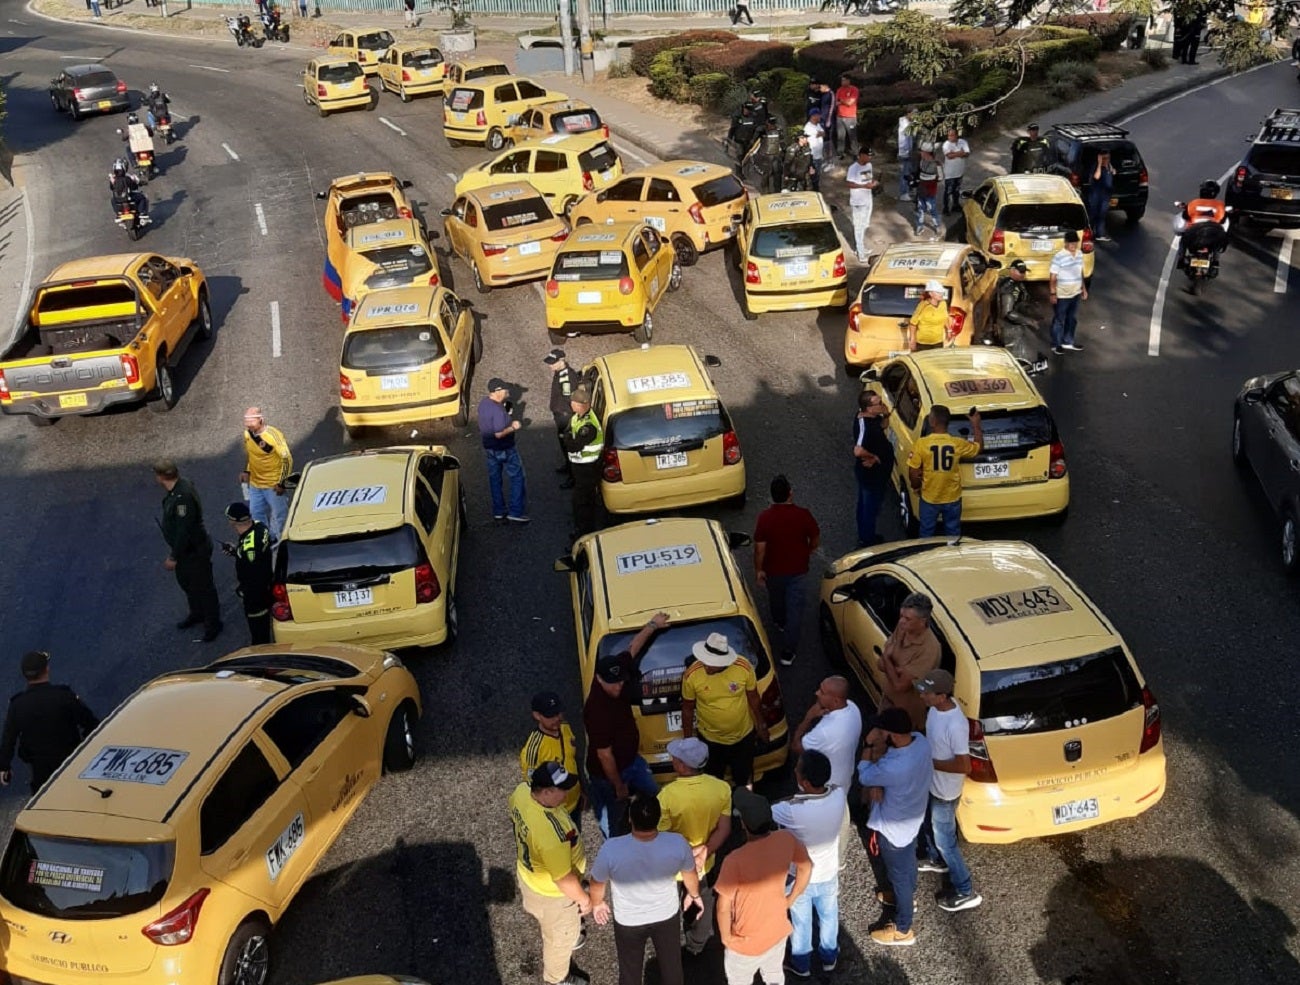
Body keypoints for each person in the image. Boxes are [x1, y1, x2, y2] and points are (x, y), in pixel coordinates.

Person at [589, 793, 702, 985]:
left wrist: (597, 904)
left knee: (629, 971)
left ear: (630, 819)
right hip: (666, 915)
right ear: (658, 819)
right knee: (672, 968)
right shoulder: (677, 843)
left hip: (628, 919)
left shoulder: (611, 849)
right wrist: (694, 895)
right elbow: (690, 875)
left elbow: (596, 882)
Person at [584, 612, 670, 837]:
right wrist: (619, 785)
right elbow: (604, 755)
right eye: (613, 684)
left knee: (654, 793)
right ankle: (612, 844)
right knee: (611, 814)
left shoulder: (616, 669)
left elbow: (632, 648)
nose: (619, 687)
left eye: (621, 681)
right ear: (599, 679)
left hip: (632, 760)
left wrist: (653, 625)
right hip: (607, 775)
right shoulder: (596, 710)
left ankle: (655, 823)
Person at [715, 789, 812, 985]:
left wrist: (726, 938)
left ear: (743, 824)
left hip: (745, 943)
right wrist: (790, 899)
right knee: (774, 975)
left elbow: (723, 907)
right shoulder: (786, 838)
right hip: (777, 932)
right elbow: (806, 866)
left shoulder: (734, 860)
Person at [509, 761, 590, 985]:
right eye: (561, 789)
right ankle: (558, 978)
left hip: (529, 877)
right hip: (555, 898)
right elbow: (563, 879)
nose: (566, 793)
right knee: (559, 943)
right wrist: (584, 900)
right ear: (545, 792)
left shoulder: (522, 793)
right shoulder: (552, 836)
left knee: (546, 922)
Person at [857, 707, 933, 946]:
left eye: (883, 730)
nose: (880, 734)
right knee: (908, 860)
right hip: (913, 816)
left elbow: (865, 775)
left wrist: (869, 746)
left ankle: (903, 928)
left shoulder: (894, 767)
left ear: (894, 734)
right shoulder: (920, 742)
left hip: (893, 826)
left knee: (899, 874)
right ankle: (906, 899)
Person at [773, 751, 848, 978]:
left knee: (801, 921)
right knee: (829, 915)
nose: (794, 770)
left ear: (804, 782)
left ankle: (801, 963)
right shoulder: (839, 795)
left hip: (800, 876)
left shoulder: (793, 811)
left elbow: (768, 811)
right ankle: (829, 956)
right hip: (829, 871)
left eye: (797, 769)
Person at [656, 737, 732, 956]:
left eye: (675, 758)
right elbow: (724, 829)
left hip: (673, 865)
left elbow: (662, 836)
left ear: (682, 765)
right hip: (703, 864)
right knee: (703, 899)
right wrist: (705, 850)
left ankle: (668, 944)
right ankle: (696, 943)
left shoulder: (667, 796)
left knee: (670, 903)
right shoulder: (721, 788)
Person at [914, 669, 983, 912]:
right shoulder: (935, 709)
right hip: (933, 783)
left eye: (928, 692)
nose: (922, 695)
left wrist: (929, 762)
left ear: (942, 696)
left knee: (946, 841)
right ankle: (935, 859)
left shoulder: (955, 725)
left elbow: (964, 766)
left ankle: (965, 890)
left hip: (946, 792)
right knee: (929, 823)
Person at [0, 652, 98, 794]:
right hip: (71, 766)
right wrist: (84, 750)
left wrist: (4, 767)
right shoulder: (64, 696)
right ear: (47, 669)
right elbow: (92, 724)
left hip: (39, 772)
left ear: (24, 675)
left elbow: (8, 739)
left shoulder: (17, 705)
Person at [681, 633, 768, 788]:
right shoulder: (692, 675)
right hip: (710, 741)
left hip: (743, 738)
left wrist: (761, 725)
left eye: (711, 663)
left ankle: (745, 804)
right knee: (713, 783)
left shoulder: (743, 668)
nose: (706, 666)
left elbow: (753, 698)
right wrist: (688, 741)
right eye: (705, 661)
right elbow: (687, 709)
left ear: (723, 662)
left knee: (746, 779)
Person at [753, 475, 820, 666]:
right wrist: (810, 550)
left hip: (773, 571)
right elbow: (815, 537)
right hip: (798, 571)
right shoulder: (803, 515)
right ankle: (788, 651)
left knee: (776, 600)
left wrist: (759, 570)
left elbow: (759, 548)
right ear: (790, 493)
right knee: (795, 611)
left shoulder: (765, 518)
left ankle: (779, 622)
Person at [154, 459, 222, 642]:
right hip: (187, 551)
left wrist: (173, 556)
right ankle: (197, 613)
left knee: (203, 586)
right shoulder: (179, 487)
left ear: (161, 477)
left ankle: (213, 624)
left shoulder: (182, 496)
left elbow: (184, 529)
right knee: (187, 583)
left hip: (194, 550)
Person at [906, 404, 983, 539]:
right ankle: (952, 554)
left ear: (932, 422)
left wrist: (916, 487)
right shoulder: (957, 443)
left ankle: (927, 555)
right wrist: (976, 424)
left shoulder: (922, 444)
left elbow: (913, 471)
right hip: (952, 497)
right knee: (953, 532)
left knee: (926, 532)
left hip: (930, 497)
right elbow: (978, 448)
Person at [877, 593, 941, 731]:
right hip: (887, 703)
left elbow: (899, 686)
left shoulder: (929, 648)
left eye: (907, 618)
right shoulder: (903, 628)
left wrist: (888, 658)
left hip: (905, 716)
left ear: (922, 620)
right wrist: (898, 669)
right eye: (901, 616)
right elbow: (880, 665)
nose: (901, 621)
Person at [521, 691, 583, 829]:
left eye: (558, 712)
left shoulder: (565, 728)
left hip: (574, 803)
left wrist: (582, 790)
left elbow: (573, 759)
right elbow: (532, 787)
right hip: (555, 811)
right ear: (537, 715)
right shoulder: (534, 749)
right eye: (550, 715)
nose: (557, 718)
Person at [478, 378, 529, 523]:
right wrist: (514, 426)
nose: (507, 393)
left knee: (495, 480)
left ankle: (498, 511)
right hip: (505, 449)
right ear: (498, 391)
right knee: (517, 477)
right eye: (505, 390)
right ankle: (516, 511)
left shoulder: (484, 404)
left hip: (489, 449)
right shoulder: (498, 411)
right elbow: (499, 433)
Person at [221, 501, 273, 646]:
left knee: (259, 632)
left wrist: (245, 591)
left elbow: (254, 574)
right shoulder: (260, 527)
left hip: (256, 597)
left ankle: (262, 658)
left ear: (234, 521)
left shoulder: (248, 549)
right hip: (268, 582)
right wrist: (236, 551)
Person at [239, 408, 293, 542]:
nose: (248, 425)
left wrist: (282, 483)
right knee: (256, 516)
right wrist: (247, 471)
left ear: (261, 420)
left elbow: (287, 460)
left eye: (252, 421)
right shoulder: (247, 434)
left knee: (279, 517)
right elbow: (252, 456)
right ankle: (264, 542)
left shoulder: (274, 436)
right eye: (246, 421)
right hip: (255, 485)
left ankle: (280, 545)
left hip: (273, 485)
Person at [560, 384, 604, 538]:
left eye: (572, 402)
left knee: (582, 504)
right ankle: (583, 529)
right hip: (579, 467)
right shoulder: (577, 417)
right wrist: (568, 438)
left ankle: (584, 534)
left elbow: (572, 445)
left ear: (580, 405)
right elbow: (567, 433)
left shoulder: (589, 425)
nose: (570, 404)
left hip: (587, 469)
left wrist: (567, 439)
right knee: (581, 502)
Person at [852, 389, 893, 547]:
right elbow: (858, 450)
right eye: (879, 403)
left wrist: (886, 414)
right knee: (869, 508)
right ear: (868, 408)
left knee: (867, 505)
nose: (882, 405)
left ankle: (866, 534)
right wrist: (873, 457)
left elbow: (883, 426)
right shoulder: (864, 425)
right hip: (871, 476)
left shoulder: (874, 417)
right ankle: (867, 540)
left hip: (879, 474)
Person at [1174, 179, 1230, 271]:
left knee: (1183, 239)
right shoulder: (1220, 205)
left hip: (1194, 233)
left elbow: (1185, 216)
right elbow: (1223, 221)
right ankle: (1216, 261)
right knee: (1217, 244)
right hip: (1213, 233)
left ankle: (1181, 258)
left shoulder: (1194, 203)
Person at [1048, 230, 1088, 355]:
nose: (1073, 245)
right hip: (1062, 294)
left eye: (1075, 243)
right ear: (1065, 243)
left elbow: (1079, 271)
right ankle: (1056, 344)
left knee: (1072, 318)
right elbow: (1053, 276)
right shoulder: (1059, 256)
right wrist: (1053, 293)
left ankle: (1068, 341)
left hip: (1075, 292)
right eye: (1071, 243)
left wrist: (1083, 288)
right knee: (1059, 319)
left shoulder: (1080, 254)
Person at [545, 348, 577, 489]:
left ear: (562, 361)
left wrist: (568, 417)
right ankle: (568, 466)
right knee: (563, 444)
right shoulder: (560, 373)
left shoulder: (566, 377)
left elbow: (569, 398)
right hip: (560, 415)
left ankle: (573, 476)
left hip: (565, 416)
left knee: (569, 446)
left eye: (553, 363)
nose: (550, 365)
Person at [996, 258, 1037, 361]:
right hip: (1010, 328)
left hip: (1016, 324)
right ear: (1012, 271)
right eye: (1020, 272)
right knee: (1014, 356)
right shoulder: (1008, 287)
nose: (1023, 275)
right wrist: (1028, 321)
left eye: (1024, 272)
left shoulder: (1017, 283)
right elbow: (1008, 312)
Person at [845, 146, 878, 263]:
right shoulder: (853, 168)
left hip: (868, 198)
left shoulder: (869, 166)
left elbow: (868, 178)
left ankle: (861, 247)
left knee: (865, 224)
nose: (870, 158)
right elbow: (849, 183)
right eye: (868, 155)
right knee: (858, 226)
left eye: (871, 156)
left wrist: (873, 183)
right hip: (858, 201)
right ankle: (860, 252)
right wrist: (863, 186)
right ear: (861, 155)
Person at [906, 280, 953, 352]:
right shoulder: (923, 306)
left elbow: (945, 317)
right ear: (931, 294)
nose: (941, 294)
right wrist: (912, 339)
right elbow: (913, 323)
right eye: (938, 292)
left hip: (938, 342)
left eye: (941, 292)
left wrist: (949, 330)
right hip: (923, 344)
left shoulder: (943, 303)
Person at [1086, 149, 1116, 240]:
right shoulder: (1096, 167)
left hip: (1105, 196)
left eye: (1107, 158)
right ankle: (1090, 232)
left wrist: (1111, 169)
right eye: (1104, 158)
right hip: (1096, 195)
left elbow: (1113, 173)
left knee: (1102, 214)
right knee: (1093, 214)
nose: (1106, 160)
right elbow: (1097, 176)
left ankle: (1100, 234)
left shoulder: (1109, 167)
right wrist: (1099, 164)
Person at [914, 142, 942, 237]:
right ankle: (919, 226)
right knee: (920, 208)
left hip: (930, 191)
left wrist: (929, 180)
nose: (920, 153)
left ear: (926, 152)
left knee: (932, 209)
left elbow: (940, 178)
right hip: (921, 190)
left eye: (922, 151)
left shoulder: (937, 165)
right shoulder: (921, 162)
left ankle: (937, 226)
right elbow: (919, 174)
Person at [940, 128, 970, 216]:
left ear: (956, 135)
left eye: (952, 135)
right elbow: (949, 156)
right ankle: (945, 208)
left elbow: (967, 153)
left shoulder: (963, 142)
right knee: (948, 191)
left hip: (959, 171)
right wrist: (961, 153)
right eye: (949, 135)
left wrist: (955, 153)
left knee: (956, 190)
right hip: (950, 173)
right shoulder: (946, 145)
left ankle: (955, 205)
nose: (950, 137)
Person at [753, 117, 785, 195]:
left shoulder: (778, 131)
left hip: (776, 157)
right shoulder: (762, 131)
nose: (772, 126)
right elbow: (755, 141)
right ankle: (765, 193)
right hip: (766, 157)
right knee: (765, 176)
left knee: (777, 176)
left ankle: (777, 193)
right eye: (771, 124)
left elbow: (782, 144)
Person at [834, 75, 859, 161]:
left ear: (849, 81)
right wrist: (843, 101)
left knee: (852, 137)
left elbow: (850, 102)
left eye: (844, 80)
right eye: (842, 80)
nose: (842, 82)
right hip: (840, 116)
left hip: (850, 117)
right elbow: (836, 102)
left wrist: (841, 101)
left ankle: (855, 153)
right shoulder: (839, 90)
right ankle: (840, 153)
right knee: (840, 136)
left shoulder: (854, 89)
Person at [802, 113, 825, 190]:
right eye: (818, 115)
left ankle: (816, 188)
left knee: (817, 174)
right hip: (812, 156)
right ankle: (813, 190)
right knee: (812, 175)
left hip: (819, 155)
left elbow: (823, 133)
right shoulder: (808, 127)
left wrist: (820, 134)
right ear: (813, 116)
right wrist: (819, 133)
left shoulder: (818, 125)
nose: (820, 116)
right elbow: (818, 134)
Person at [896, 108, 914, 199]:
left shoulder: (909, 124)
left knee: (909, 172)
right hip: (904, 153)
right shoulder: (904, 125)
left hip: (908, 152)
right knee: (905, 173)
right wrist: (906, 152)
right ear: (908, 113)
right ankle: (904, 193)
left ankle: (908, 190)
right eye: (914, 114)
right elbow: (903, 141)